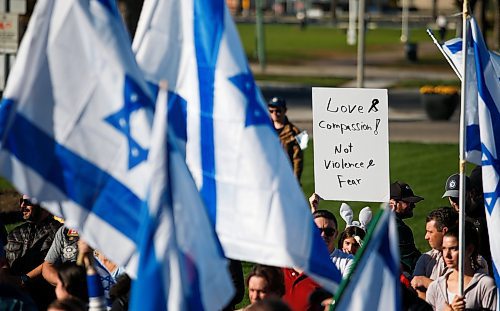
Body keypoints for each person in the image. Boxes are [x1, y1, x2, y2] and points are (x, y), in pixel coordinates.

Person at [4, 194, 62, 310]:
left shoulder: (60, 232)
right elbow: (4, 262)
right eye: (21, 201)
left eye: (27, 202)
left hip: (47, 301)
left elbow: (53, 263)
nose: (22, 206)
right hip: (16, 302)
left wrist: (23, 280)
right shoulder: (15, 233)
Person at [426, 223, 497, 310]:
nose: (447, 255)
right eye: (444, 248)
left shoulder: (484, 285)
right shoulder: (435, 287)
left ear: (469, 250)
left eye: (453, 248)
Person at [411, 207, 458, 299]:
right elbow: (416, 287)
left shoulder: (471, 261)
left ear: (444, 231)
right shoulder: (426, 258)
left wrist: (428, 283)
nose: (426, 237)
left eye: (430, 232)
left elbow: (464, 291)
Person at [390, 181, 423, 274]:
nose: (413, 205)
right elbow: (413, 263)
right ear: (393, 203)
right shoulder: (398, 228)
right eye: (408, 202)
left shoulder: (380, 223)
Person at [268, 97, 303, 180]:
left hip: (286, 177)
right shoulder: (265, 129)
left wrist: (295, 180)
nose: (274, 114)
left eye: (278, 111)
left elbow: (299, 159)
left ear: (285, 110)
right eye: (271, 111)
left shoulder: (297, 132)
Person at [312, 209, 354, 277]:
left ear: (336, 234)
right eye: (318, 230)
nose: (323, 235)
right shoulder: (300, 258)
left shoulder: (347, 261)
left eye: (329, 231)